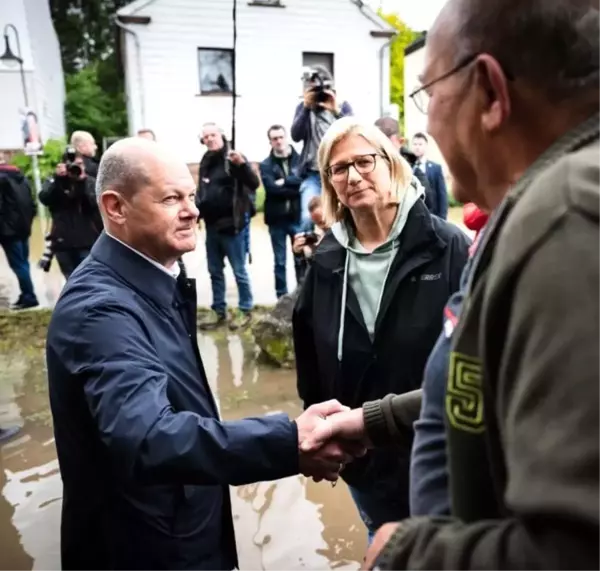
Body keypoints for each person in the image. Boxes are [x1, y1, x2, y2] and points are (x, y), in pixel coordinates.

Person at [307, 1, 600, 569]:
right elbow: (482, 381)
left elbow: (577, 546)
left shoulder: (567, 220)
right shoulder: (534, 207)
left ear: (490, 92)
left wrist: (410, 553)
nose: (429, 122)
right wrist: (368, 421)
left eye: (430, 92)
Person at [46, 136, 362, 571]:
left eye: (191, 195)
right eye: (171, 198)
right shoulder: (102, 309)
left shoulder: (152, 281)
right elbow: (147, 437)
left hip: (182, 528)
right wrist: (288, 441)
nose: (192, 211)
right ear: (116, 207)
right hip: (146, 550)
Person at [293, 117, 470, 543]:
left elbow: (478, 362)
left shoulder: (448, 247)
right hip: (365, 460)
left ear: (391, 163)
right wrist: (324, 441)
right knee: (381, 540)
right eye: (339, 169)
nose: (353, 176)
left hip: (439, 457)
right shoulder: (327, 260)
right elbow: (310, 363)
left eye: (364, 162)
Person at [196, 123, 258, 331]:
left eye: (213, 135)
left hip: (233, 226)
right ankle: (218, 310)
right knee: (214, 271)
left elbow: (253, 183)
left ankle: (245, 309)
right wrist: (198, 212)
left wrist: (241, 165)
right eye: (206, 137)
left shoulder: (233, 157)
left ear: (221, 135)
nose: (210, 139)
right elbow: (202, 190)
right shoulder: (206, 160)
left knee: (239, 271)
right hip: (212, 226)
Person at [291, 66, 353, 231]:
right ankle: (305, 254)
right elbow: (296, 135)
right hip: (313, 174)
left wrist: (336, 111)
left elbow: (354, 132)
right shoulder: (304, 108)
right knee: (307, 218)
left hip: (338, 172)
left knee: (343, 217)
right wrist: (305, 107)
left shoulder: (341, 105)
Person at [39, 150, 102, 279]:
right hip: (62, 242)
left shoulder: (90, 181)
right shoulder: (56, 181)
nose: (75, 167)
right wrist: (58, 180)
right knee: (70, 281)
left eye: (79, 164)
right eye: (71, 164)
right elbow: (44, 198)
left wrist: (81, 182)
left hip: (86, 241)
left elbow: (94, 205)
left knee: (90, 280)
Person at [259, 124, 304, 298]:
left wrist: (283, 182)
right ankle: (281, 296)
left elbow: (303, 184)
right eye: (274, 138)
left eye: (281, 137)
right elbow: (271, 189)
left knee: (300, 258)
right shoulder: (266, 164)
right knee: (279, 261)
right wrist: (292, 184)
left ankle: (302, 294)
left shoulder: (300, 160)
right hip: (277, 220)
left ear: (286, 138)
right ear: (270, 142)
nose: (278, 141)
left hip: (296, 217)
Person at [0, 154, 39, 309]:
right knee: (23, 263)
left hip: (8, 230)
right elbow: (32, 204)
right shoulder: (21, 177)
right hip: (24, 227)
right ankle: (26, 293)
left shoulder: (1, 180)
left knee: (18, 265)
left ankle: (29, 297)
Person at [374, 116, 434, 208]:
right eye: (378, 147)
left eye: (388, 146)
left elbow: (428, 209)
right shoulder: (366, 174)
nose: (383, 153)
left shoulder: (415, 175)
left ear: (400, 142)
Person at [411, 132, 448, 219]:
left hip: (432, 216)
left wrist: (442, 219)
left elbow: (442, 195)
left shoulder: (436, 168)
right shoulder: (407, 167)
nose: (417, 147)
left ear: (426, 146)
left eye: (420, 144)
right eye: (415, 144)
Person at [292, 195, 329, 263]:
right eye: (318, 224)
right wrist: (298, 252)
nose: (322, 227)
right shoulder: (313, 231)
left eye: (324, 222)